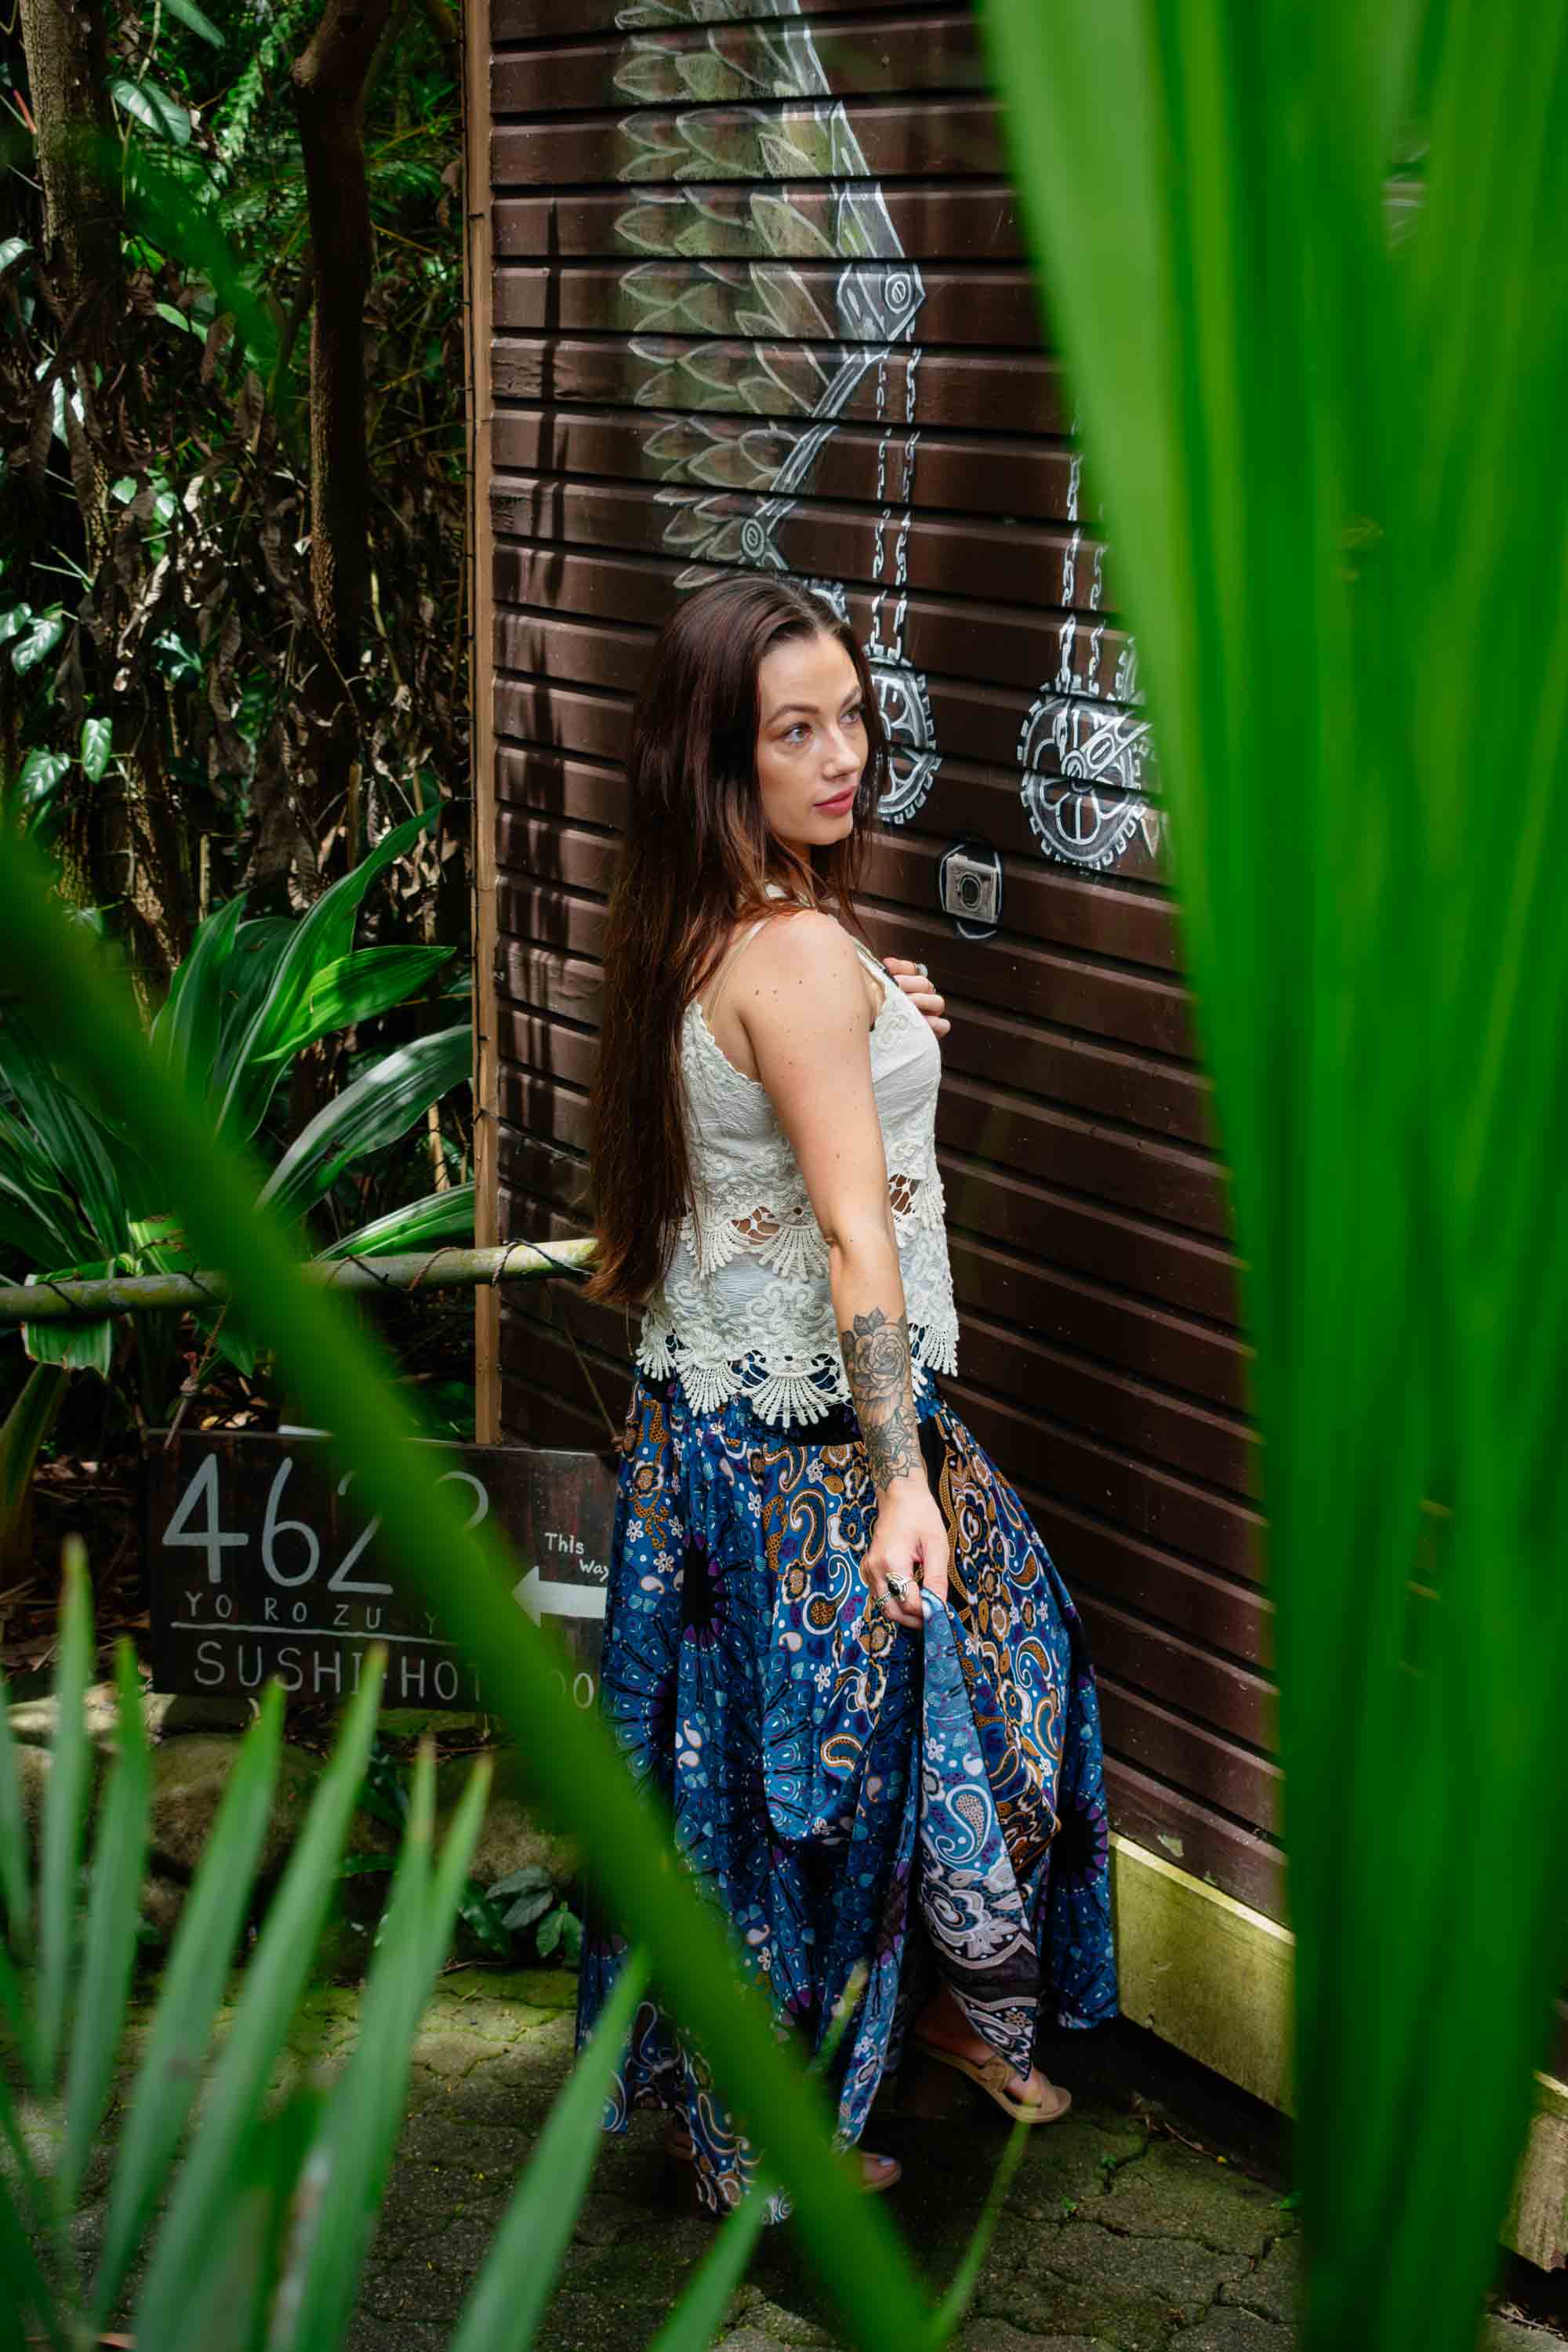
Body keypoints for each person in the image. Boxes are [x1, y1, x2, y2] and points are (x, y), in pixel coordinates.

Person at [575, 573, 1116, 2215]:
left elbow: (781, 1084)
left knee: (787, 1777)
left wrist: (887, 1016)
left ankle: (894, 2029)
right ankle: (781, 2126)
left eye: (852, 719)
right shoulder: (795, 949)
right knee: (848, 1785)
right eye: (791, 732)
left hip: (714, 1440)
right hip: (812, 1453)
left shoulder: (702, 926)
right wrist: (898, 1482)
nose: (843, 758)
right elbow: (849, 1229)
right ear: (713, 758)